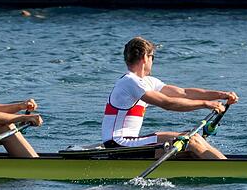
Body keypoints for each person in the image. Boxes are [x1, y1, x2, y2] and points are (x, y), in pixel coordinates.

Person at [101, 37, 238, 159]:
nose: (152, 62)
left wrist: (221, 95)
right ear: (144, 57)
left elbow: (183, 92)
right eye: (152, 57)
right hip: (118, 145)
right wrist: (206, 104)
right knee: (190, 141)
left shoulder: (147, 81)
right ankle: (232, 172)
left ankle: (225, 165)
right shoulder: (130, 82)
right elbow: (167, 103)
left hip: (131, 141)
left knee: (193, 138)